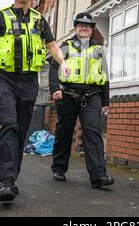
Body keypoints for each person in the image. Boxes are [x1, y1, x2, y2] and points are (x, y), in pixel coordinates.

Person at [0, 0, 69, 202]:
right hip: (5, 79)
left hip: (29, 82)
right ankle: (6, 181)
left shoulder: (40, 21)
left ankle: (12, 178)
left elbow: (52, 45)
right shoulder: (1, 17)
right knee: (8, 125)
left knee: (20, 132)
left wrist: (63, 62)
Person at [49, 12, 114, 189]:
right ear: (76, 28)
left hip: (93, 96)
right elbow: (54, 67)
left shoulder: (99, 49)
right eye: (80, 25)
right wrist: (55, 88)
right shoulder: (66, 46)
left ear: (92, 30)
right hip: (68, 95)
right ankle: (59, 169)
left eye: (87, 26)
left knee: (93, 134)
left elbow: (105, 76)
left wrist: (106, 101)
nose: (84, 28)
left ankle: (99, 175)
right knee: (64, 132)